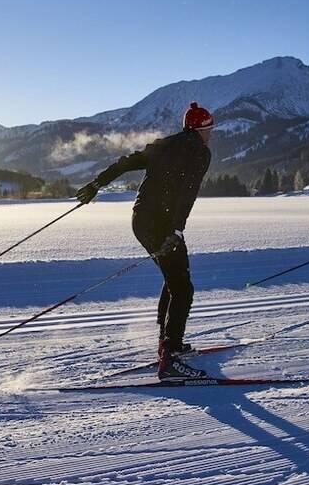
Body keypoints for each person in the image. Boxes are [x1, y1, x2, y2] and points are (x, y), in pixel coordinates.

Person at [76, 102, 213, 379]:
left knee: (174, 279)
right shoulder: (200, 152)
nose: (211, 134)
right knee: (182, 288)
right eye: (210, 129)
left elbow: (127, 162)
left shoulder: (165, 144)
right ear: (201, 129)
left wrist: (96, 184)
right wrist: (176, 230)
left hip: (141, 221)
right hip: (163, 224)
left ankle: (167, 344)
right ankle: (171, 360)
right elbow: (188, 192)